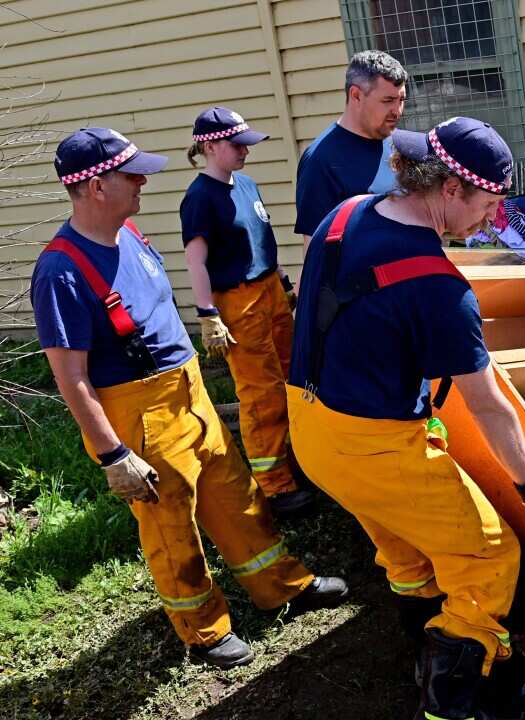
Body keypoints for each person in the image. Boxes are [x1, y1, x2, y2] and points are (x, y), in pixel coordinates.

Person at [287, 117, 525, 720]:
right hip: (372, 444)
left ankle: (422, 649)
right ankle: (449, 701)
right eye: (488, 203)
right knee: (490, 554)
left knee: (409, 552)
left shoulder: (344, 215)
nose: (493, 219)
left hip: (310, 424)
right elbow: (488, 404)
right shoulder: (440, 288)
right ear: (450, 188)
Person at [30, 128, 348, 670]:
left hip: (190, 392)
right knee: (171, 526)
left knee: (236, 494)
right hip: (140, 413)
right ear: (93, 187)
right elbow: (70, 377)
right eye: (132, 175)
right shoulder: (61, 272)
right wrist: (112, 454)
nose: (143, 183)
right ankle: (202, 629)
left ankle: (281, 584)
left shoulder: (128, 233)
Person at [180, 107, 312, 518]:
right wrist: (208, 313)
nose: (245, 152)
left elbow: (261, 240)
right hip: (237, 300)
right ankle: (275, 485)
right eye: (237, 145)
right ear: (209, 146)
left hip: (270, 290)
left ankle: (301, 461)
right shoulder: (200, 198)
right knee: (261, 393)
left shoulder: (248, 185)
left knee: (295, 378)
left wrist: (285, 285)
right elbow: (196, 261)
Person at [294, 49, 406, 249]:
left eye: (401, 100)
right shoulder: (321, 160)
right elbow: (316, 248)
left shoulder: (400, 142)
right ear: (356, 96)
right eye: (388, 101)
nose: (397, 111)